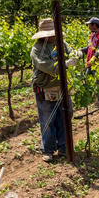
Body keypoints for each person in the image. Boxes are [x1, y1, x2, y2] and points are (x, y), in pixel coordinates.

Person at [30, 18, 82, 162]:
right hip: (45, 88)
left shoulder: (61, 43)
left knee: (65, 116)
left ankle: (64, 147)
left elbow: (71, 52)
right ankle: (48, 150)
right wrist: (65, 64)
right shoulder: (37, 49)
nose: (52, 36)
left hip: (62, 86)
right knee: (48, 120)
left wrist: (76, 55)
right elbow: (49, 68)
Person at [80, 17, 99, 106]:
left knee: (96, 80)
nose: (88, 26)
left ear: (94, 25)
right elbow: (90, 47)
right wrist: (81, 50)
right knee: (90, 77)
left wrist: (95, 58)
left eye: (90, 24)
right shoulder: (93, 35)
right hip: (91, 61)